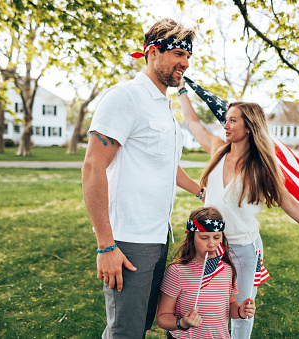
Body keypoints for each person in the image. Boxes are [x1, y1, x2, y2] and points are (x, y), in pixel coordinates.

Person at [176, 78, 299, 339]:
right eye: (227, 119)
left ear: (249, 127)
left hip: (243, 250)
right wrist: (180, 91)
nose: (226, 124)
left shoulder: (261, 168)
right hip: (207, 245)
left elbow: (290, 204)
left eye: (233, 120)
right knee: (204, 304)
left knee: (243, 309)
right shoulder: (217, 150)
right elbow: (193, 123)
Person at [82, 19, 202, 339]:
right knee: (125, 331)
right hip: (129, 240)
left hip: (158, 235)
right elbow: (93, 167)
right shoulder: (126, 97)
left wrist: (202, 191)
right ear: (152, 53)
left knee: (141, 326)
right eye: (178, 54)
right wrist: (106, 245)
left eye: (188, 56)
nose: (185, 63)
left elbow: (165, 165)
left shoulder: (163, 104)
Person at [157, 206, 256, 339]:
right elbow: (162, 317)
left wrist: (240, 311)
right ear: (192, 238)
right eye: (204, 238)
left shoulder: (226, 269)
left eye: (216, 237)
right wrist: (182, 322)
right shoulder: (177, 272)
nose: (211, 244)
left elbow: (231, 305)